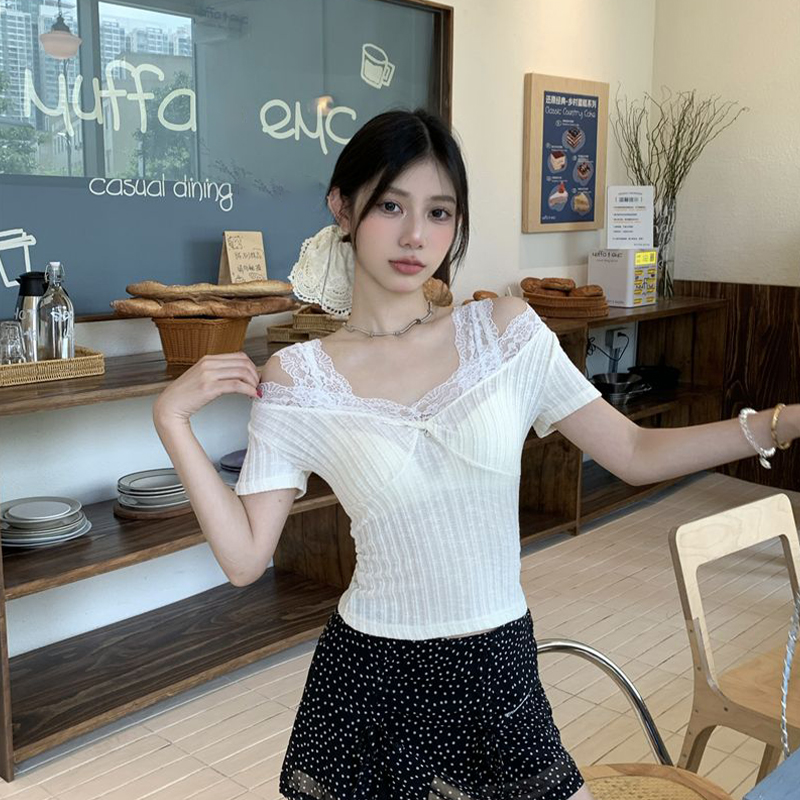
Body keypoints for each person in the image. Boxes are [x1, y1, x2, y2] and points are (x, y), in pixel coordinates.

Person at [153, 108, 799, 800]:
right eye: (390, 206)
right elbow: (246, 559)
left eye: (439, 212)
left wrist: (777, 424)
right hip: (369, 681)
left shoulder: (504, 333)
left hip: (495, 665)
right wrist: (171, 420)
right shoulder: (299, 379)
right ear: (342, 207)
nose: (415, 235)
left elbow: (634, 451)